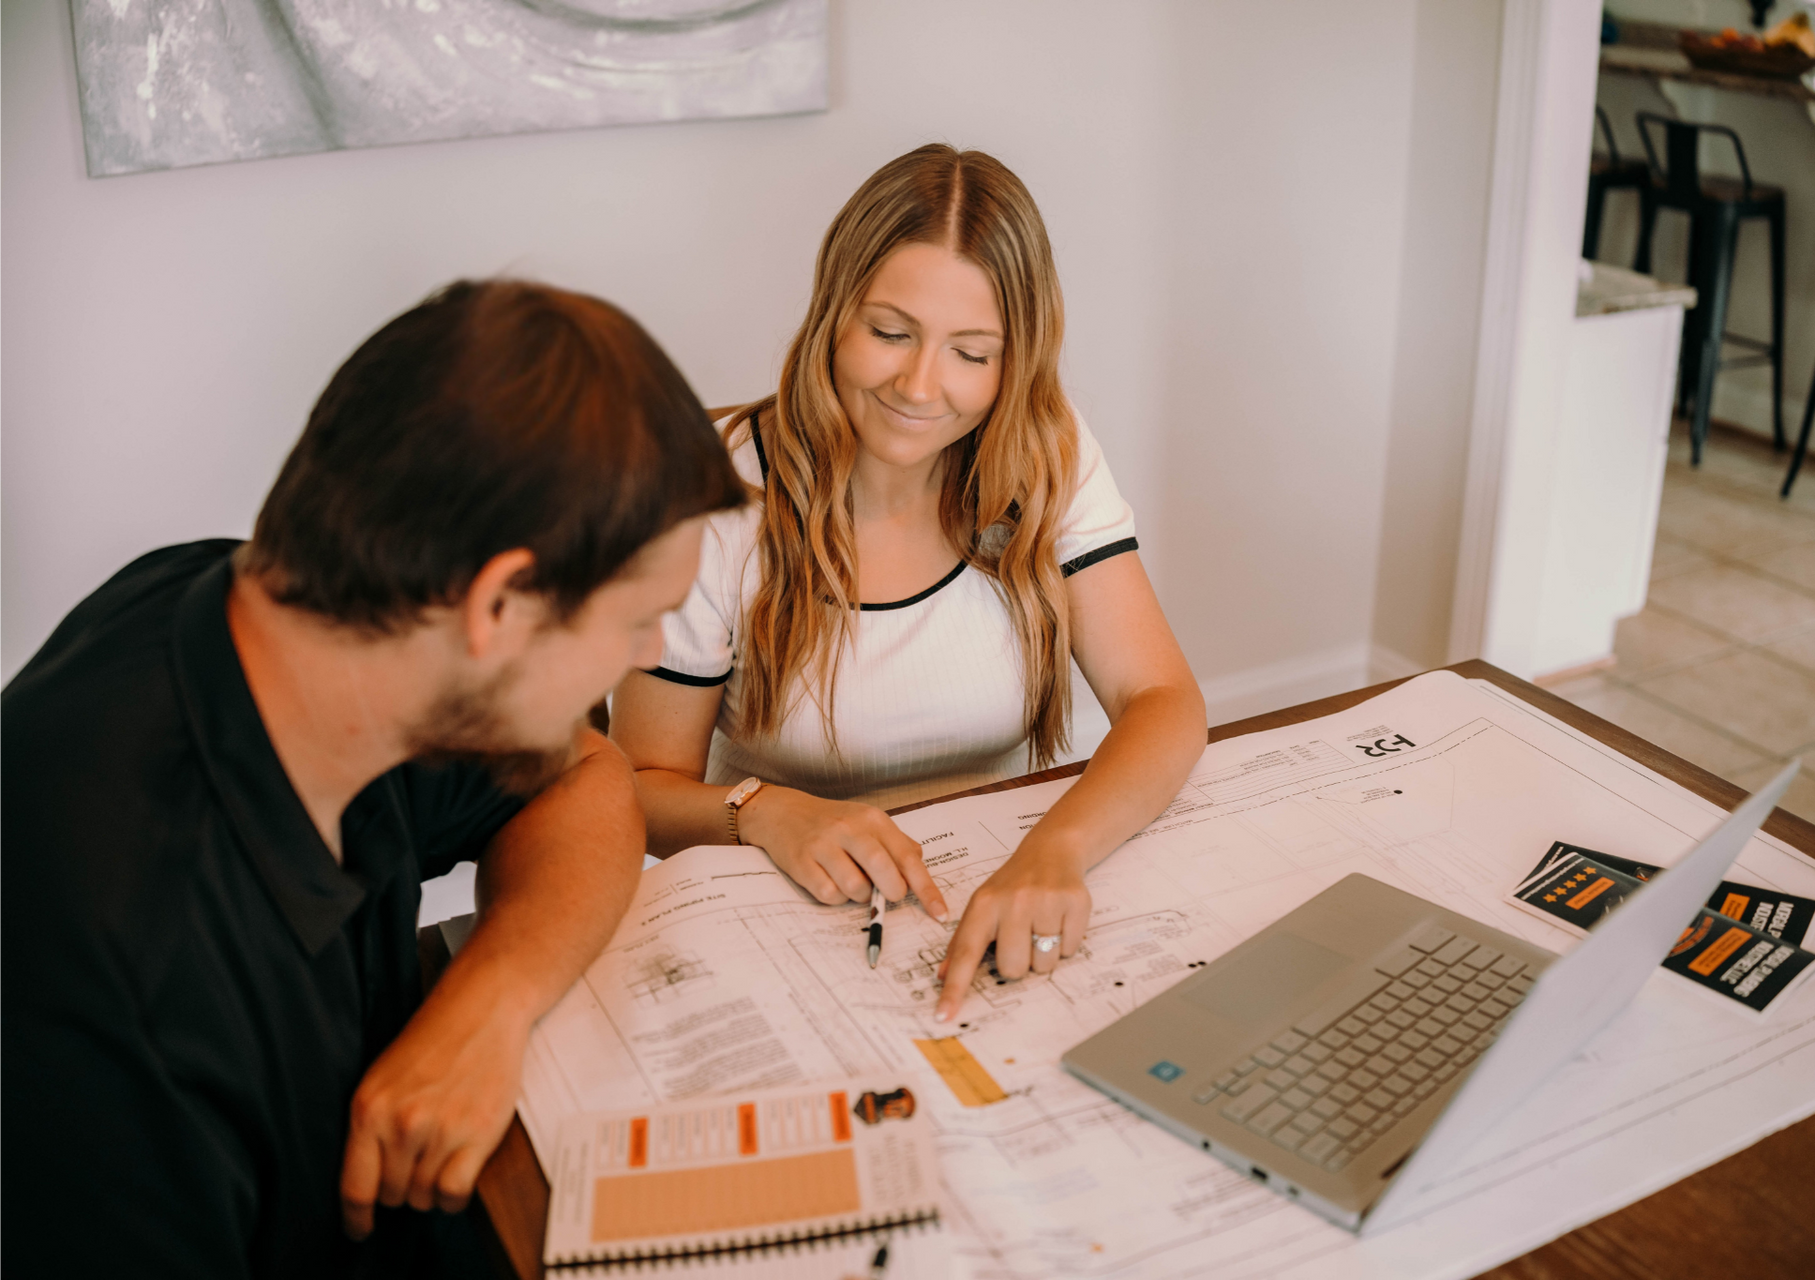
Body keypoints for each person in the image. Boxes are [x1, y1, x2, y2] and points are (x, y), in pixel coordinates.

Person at [2, 279, 745, 1277]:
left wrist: (492, 997)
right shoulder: (113, 980)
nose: (652, 646)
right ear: (501, 606)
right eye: (633, 617)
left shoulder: (293, 613)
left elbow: (587, 774)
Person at [610, 145, 1208, 1023]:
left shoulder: (1046, 452)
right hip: (789, 906)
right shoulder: (712, 496)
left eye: (973, 353)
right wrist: (764, 812)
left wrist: (1058, 850)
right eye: (889, 333)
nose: (920, 386)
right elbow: (634, 789)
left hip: (1003, 867)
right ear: (832, 315)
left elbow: (1163, 698)